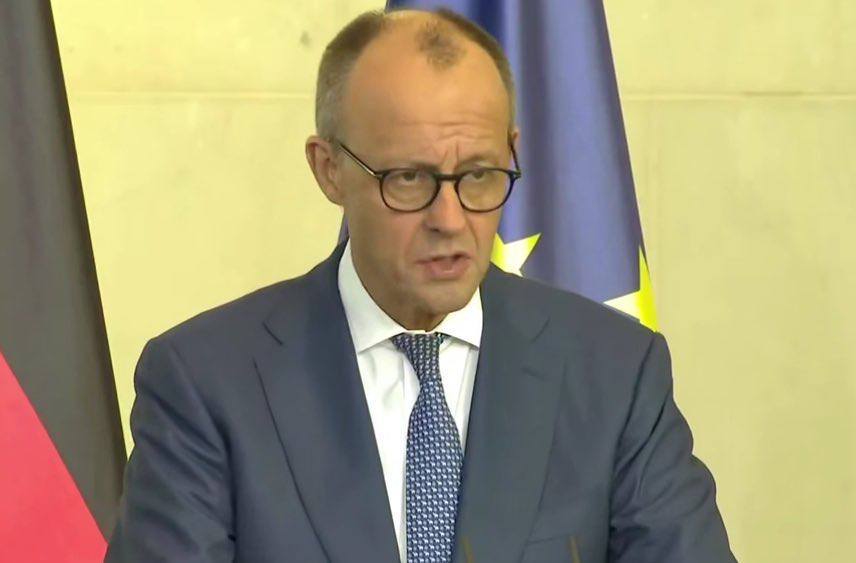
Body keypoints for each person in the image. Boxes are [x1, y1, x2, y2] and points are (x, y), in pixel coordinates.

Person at [106, 8, 736, 563]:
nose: (451, 220)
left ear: (512, 152)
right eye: (409, 179)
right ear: (329, 170)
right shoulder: (207, 382)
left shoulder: (614, 372)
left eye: (480, 174)